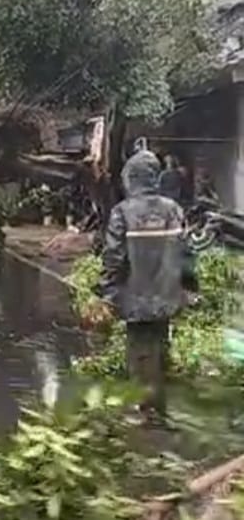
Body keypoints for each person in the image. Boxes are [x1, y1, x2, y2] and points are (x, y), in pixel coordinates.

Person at [97, 149, 196, 415]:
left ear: (131, 178)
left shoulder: (123, 213)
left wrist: (107, 294)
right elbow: (187, 254)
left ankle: (146, 416)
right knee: (160, 349)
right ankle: (159, 410)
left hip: (135, 300)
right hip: (167, 297)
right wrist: (189, 290)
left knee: (140, 355)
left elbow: (113, 258)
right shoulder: (173, 210)